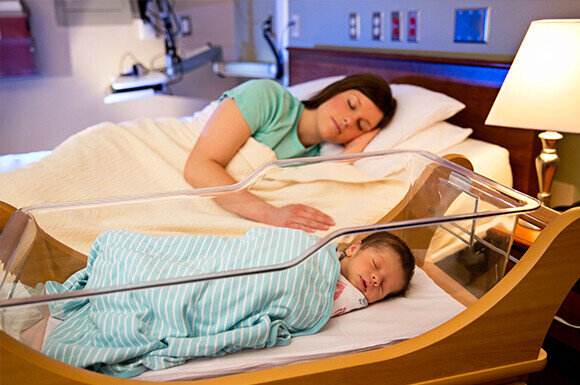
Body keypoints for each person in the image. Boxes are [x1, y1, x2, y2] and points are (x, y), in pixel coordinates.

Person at [41, 227, 413, 376]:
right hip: (223, 266)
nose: (375, 280)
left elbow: (284, 311)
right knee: (177, 271)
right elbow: (249, 248)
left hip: (228, 297)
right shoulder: (313, 250)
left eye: (383, 288)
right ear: (354, 247)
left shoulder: (339, 301)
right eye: (377, 266)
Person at [184, 74, 397, 234]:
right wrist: (270, 214)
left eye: (361, 125)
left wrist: (349, 154)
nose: (348, 121)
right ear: (336, 90)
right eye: (351, 105)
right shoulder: (268, 97)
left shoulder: (314, 165)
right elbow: (198, 167)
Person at [339, 231, 415, 304]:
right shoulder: (328, 259)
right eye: (375, 265)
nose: (377, 279)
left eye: (382, 286)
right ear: (354, 248)